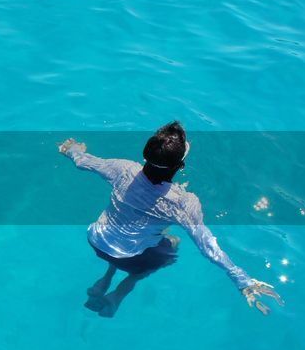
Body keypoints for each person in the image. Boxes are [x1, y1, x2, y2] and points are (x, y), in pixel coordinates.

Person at [59, 121, 282, 317]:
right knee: (172, 244)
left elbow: (83, 162)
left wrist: (72, 150)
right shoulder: (183, 203)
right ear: (181, 165)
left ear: (145, 154)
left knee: (130, 235)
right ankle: (121, 290)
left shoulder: (123, 169)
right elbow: (207, 246)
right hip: (130, 256)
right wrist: (242, 280)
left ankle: (107, 275)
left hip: (96, 240)